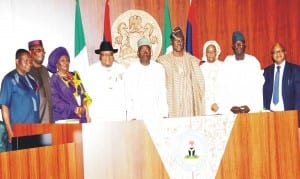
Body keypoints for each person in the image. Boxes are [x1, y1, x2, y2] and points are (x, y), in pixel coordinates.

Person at [157, 26, 205, 117]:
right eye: (176, 40)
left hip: (189, 105)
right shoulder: (163, 61)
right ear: (172, 42)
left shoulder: (191, 60)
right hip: (173, 105)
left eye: (181, 40)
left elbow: (202, 75)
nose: (179, 42)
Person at [212, 31, 264, 114]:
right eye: (236, 44)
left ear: (245, 45)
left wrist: (251, 107)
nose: (238, 46)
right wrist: (229, 108)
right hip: (232, 110)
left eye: (241, 43)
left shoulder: (253, 62)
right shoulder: (228, 62)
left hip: (250, 110)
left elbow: (258, 88)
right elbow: (221, 87)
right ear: (233, 46)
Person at [0, 49, 39, 148]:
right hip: (18, 131)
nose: (29, 64)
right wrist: (9, 131)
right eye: (26, 61)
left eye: (30, 61)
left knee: (33, 160)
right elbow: (4, 106)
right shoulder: (9, 80)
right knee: (18, 161)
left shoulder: (32, 80)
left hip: (34, 129)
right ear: (17, 61)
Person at [125, 38, 168, 120]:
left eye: (147, 49)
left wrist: (164, 114)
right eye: (142, 50)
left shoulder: (159, 68)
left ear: (151, 52)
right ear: (138, 53)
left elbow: (162, 93)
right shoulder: (131, 70)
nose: (145, 52)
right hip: (137, 115)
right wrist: (132, 116)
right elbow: (128, 95)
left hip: (156, 114)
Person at [47, 47, 92, 123]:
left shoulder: (75, 75)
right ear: (56, 64)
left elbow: (83, 94)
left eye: (67, 60)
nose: (66, 63)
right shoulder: (53, 80)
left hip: (81, 117)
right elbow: (55, 102)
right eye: (62, 60)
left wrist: (85, 110)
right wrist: (74, 109)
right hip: (64, 118)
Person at [85, 41, 127, 122]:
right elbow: (86, 95)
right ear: (100, 56)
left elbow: (128, 92)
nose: (108, 57)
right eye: (104, 54)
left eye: (110, 54)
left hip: (118, 114)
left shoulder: (122, 69)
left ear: (113, 56)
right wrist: (87, 114)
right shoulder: (91, 71)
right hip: (98, 115)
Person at [263, 42, 300, 111]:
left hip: (289, 114)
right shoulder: (266, 72)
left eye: (280, 51)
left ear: (285, 52)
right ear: (272, 55)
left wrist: (296, 114)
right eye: (274, 52)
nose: (278, 54)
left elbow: (298, 95)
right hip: (269, 115)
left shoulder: (295, 70)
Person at [28, 40, 53, 123]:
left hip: (49, 121)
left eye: (43, 51)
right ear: (30, 52)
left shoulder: (45, 70)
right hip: (33, 123)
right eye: (38, 50)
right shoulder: (26, 72)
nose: (42, 53)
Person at [200, 40, 223, 115]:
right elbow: (200, 90)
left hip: (221, 105)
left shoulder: (222, 66)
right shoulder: (201, 69)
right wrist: (210, 104)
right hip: (206, 106)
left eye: (213, 52)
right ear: (205, 53)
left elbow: (225, 87)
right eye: (208, 52)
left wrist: (218, 104)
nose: (210, 54)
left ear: (216, 53)